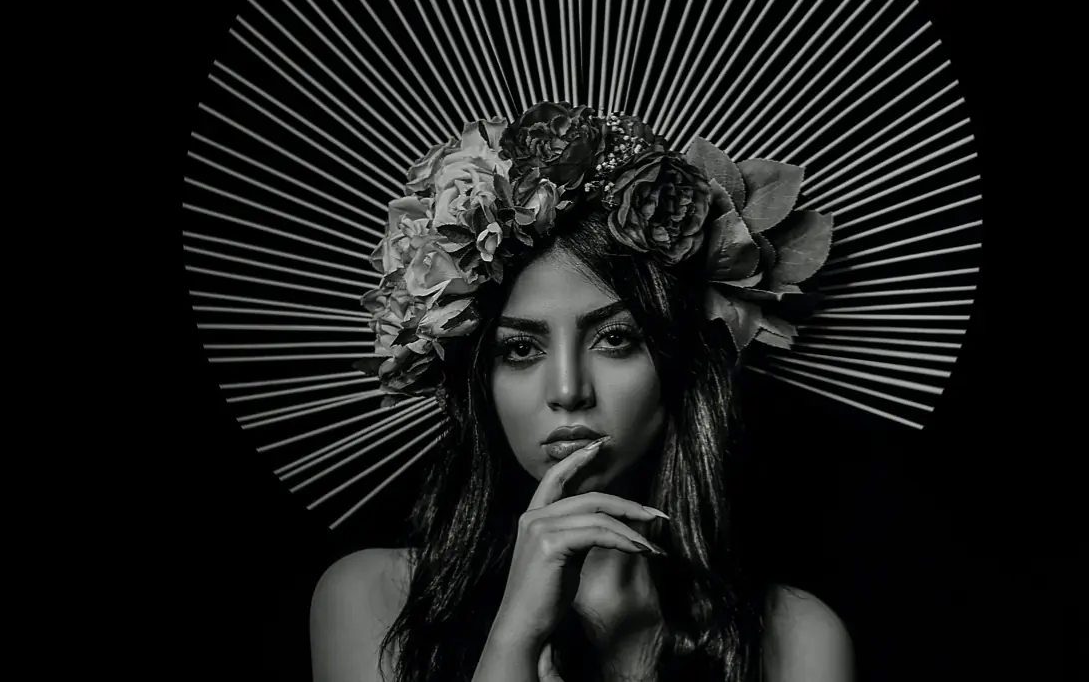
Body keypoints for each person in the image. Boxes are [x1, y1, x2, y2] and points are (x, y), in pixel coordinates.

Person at [309, 102, 853, 681]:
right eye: (520, 350)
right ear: (479, 383)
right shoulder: (372, 599)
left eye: (616, 338)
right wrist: (513, 639)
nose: (569, 391)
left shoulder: (795, 639)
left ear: (678, 362)